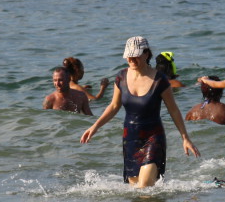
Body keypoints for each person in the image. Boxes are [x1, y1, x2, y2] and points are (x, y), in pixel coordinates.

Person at [80, 36, 199, 187]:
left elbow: (174, 110)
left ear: (147, 54)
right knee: (137, 193)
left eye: (135, 55)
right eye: (129, 56)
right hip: (130, 138)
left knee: (144, 187)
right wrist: (95, 126)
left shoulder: (159, 80)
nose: (131, 59)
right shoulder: (121, 77)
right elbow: (113, 106)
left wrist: (185, 137)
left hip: (153, 137)